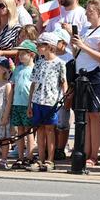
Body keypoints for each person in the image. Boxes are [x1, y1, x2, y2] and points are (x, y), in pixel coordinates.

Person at [41, 0, 88, 158]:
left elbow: (83, 40)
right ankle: (51, 145)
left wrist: (70, 32)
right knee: (52, 104)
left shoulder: (81, 14)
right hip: (52, 63)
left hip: (71, 62)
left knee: (66, 104)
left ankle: (62, 146)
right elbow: (44, 33)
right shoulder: (55, 12)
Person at [71, 0, 100, 167]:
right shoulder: (86, 29)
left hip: (96, 75)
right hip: (82, 74)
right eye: (87, 10)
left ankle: (94, 154)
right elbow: (77, 54)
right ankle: (84, 150)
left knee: (94, 115)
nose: (87, 13)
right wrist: (75, 45)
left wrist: (83, 46)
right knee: (84, 114)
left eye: (91, 11)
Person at [27, 32, 68, 172]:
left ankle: (50, 159)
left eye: (40, 45)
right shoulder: (38, 63)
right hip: (38, 101)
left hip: (51, 102)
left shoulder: (60, 64)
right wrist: (29, 104)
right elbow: (33, 84)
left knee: (50, 130)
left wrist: (63, 99)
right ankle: (40, 158)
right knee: (40, 130)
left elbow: (64, 83)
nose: (37, 47)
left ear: (49, 46)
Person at [8, 40, 38, 170]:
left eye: (23, 54)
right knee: (20, 131)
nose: (20, 56)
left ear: (31, 54)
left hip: (27, 105)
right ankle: (20, 157)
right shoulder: (18, 69)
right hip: (17, 104)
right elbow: (13, 86)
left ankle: (29, 156)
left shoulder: (34, 69)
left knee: (28, 131)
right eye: (19, 53)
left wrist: (31, 105)